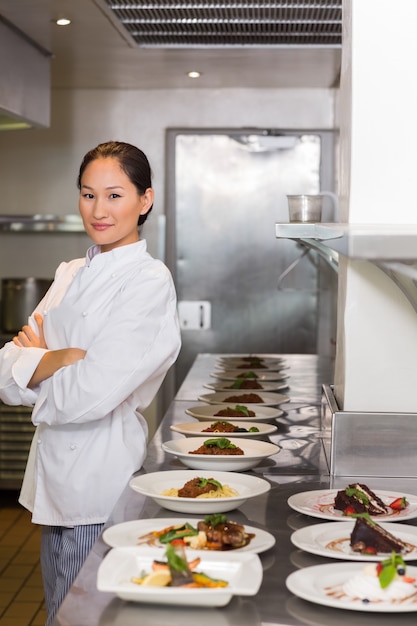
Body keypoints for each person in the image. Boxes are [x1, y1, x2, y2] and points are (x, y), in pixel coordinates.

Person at [0, 141, 181, 625]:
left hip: (100, 484)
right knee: (60, 611)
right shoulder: (70, 272)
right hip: (52, 484)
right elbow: (3, 371)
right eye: (87, 194)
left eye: (115, 195)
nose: (98, 210)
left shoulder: (147, 280)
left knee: (89, 616)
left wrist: (34, 362)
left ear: (145, 200)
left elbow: (91, 395)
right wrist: (60, 357)